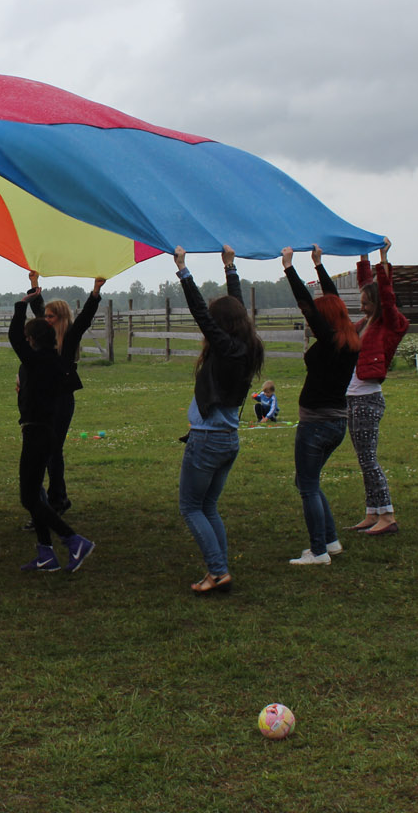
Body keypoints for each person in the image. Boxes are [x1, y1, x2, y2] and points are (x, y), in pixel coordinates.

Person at [173, 245, 264, 594]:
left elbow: (201, 313)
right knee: (208, 505)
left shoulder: (226, 349)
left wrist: (184, 270)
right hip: (227, 440)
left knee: (190, 507)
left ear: (221, 325)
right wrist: (230, 268)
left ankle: (217, 570)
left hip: (208, 440)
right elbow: (235, 308)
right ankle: (220, 569)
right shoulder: (246, 346)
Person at [283, 245, 361, 566]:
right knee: (309, 482)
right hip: (336, 424)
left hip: (315, 425)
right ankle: (330, 541)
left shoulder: (329, 343)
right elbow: (333, 301)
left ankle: (318, 552)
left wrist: (289, 268)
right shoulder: (348, 340)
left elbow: (308, 306)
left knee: (307, 487)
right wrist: (318, 264)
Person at [10, 285, 95, 573]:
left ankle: (74, 540)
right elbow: (26, 336)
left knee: (30, 496)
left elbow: (15, 337)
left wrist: (22, 304)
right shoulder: (55, 361)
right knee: (36, 495)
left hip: (36, 433)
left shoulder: (37, 361)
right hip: (41, 431)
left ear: (32, 340)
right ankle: (46, 553)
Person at [28, 271, 106, 514]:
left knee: (53, 449)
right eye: (46, 316)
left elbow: (85, 317)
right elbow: (38, 311)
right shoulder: (45, 335)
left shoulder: (70, 336)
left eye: (51, 316)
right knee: (45, 449)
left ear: (60, 317)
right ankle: (56, 499)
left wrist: (95, 292)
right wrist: (34, 284)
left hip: (61, 399)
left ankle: (57, 500)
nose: (46, 320)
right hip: (43, 397)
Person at [347, 238, 409, 535]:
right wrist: (363, 256)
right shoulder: (366, 323)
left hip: (367, 399)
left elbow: (385, 293)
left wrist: (383, 259)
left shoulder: (389, 324)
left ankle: (387, 515)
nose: (362, 307)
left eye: (366, 303)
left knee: (369, 460)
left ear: (378, 304)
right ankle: (372, 513)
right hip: (353, 398)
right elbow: (367, 285)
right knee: (363, 459)